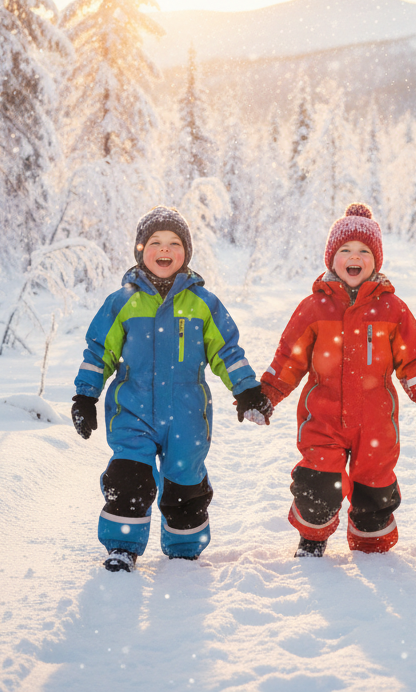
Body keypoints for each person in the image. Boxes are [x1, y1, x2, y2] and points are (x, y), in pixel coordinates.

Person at [70, 206, 273, 572]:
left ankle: (183, 549)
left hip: (187, 414)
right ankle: (122, 547)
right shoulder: (122, 302)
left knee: (185, 484)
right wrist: (86, 394)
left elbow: (226, 350)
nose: (165, 250)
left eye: (175, 243)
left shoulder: (203, 303)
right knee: (128, 479)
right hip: (132, 411)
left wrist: (245, 389)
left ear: (186, 253)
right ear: (140, 250)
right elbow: (100, 351)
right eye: (156, 242)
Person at [259, 204, 416, 557]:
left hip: (376, 422)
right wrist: (267, 394)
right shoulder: (313, 307)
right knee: (317, 482)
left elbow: (414, 363)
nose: (354, 257)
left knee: (374, 490)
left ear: (376, 261)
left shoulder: (393, 309)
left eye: (364, 251)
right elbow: (289, 358)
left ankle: (371, 547)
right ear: (331, 258)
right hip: (323, 417)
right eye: (345, 250)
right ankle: (312, 538)